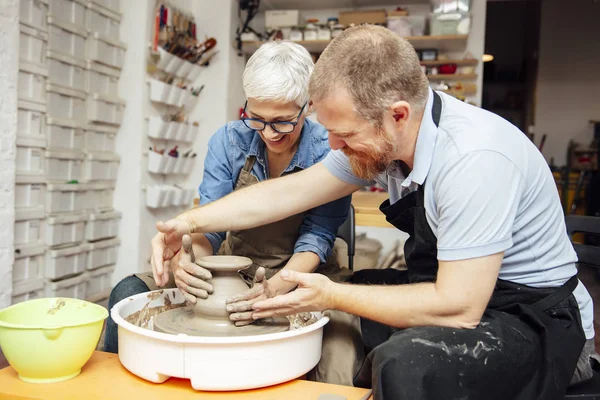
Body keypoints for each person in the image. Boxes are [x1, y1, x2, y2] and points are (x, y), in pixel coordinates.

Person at [151, 26, 597, 399]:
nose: (333, 147)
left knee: (402, 363)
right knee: (344, 306)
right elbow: (285, 193)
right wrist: (188, 223)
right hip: (469, 296)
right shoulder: (387, 135)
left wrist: (328, 294)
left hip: (534, 321)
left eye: (343, 135)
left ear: (397, 115)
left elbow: (459, 307)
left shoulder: (473, 158)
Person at [105, 41, 364, 385]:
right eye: (256, 118)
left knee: (338, 354)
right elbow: (208, 228)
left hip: (302, 273)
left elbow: (315, 241)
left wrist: (272, 291)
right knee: (128, 292)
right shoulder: (228, 141)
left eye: (283, 122)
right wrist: (188, 262)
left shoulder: (330, 149)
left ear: (308, 106)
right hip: (230, 267)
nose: (270, 133)